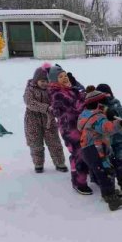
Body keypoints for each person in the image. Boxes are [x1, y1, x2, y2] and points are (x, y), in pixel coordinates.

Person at [77, 89, 122, 211]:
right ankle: (111, 198)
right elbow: (107, 128)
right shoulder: (97, 117)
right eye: (103, 103)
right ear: (97, 103)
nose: (105, 106)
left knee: (101, 171)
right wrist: (120, 123)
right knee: (106, 172)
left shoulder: (84, 115)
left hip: (88, 149)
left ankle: (109, 192)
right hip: (96, 148)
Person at [47, 64, 91, 194]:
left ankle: (82, 176)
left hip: (79, 126)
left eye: (65, 75)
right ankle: (79, 183)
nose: (64, 78)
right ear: (54, 80)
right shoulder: (58, 94)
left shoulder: (69, 89)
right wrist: (85, 98)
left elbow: (81, 98)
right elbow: (77, 107)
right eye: (60, 77)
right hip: (70, 130)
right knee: (79, 155)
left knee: (82, 153)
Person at [23, 65, 67, 173]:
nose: (45, 83)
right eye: (42, 81)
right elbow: (30, 103)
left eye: (47, 81)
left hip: (49, 120)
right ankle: (38, 164)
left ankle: (59, 163)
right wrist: (46, 108)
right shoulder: (30, 89)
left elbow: (56, 101)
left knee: (54, 143)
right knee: (35, 143)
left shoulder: (51, 90)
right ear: (36, 80)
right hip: (32, 120)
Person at [96, 83, 122, 194]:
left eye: (107, 94)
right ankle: (109, 185)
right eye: (102, 94)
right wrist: (104, 110)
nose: (106, 96)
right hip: (105, 140)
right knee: (107, 162)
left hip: (119, 138)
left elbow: (121, 117)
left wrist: (113, 112)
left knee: (121, 159)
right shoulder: (96, 107)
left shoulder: (115, 102)